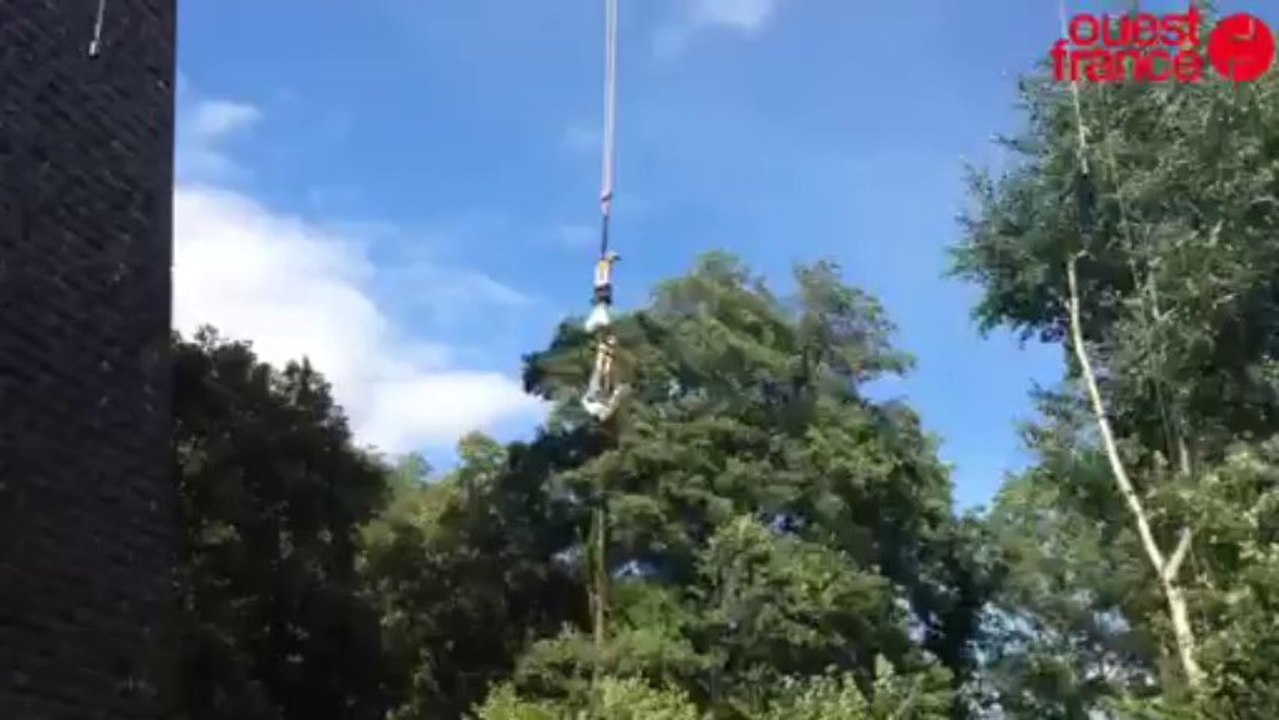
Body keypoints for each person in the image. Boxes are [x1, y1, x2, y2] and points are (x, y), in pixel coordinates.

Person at [585, 250, 620, 333]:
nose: (614, 262)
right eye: (613, 259)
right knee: (603, 303)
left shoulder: (605, 265)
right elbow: (602, 272)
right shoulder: (604, 264)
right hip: (602, 286)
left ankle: (601, 321)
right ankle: (599, 322)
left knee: (604, 304)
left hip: (602, 287)